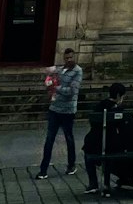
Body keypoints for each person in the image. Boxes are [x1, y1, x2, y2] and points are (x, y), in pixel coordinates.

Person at [38, 47, 83, 180]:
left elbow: (72, 91)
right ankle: (43, 169)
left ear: (74, 57)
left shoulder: (77, 71)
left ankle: (71, 164)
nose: (68, 60)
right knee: (49, 139)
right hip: (54, 108)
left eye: (71, 58)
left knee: (69, 138)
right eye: (66, 58)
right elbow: (52, 74)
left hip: (68, 110)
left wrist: (55, 87)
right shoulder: (61, 69)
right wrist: (49, 78)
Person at [81, 81, 126, 196]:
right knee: (109, 154)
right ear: (118, 96)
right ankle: (106, 184)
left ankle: (93, 183)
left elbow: (93, 123)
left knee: (88, 152)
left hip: (94, 143)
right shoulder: (118, 109)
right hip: (111, 144)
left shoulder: (100, 106)